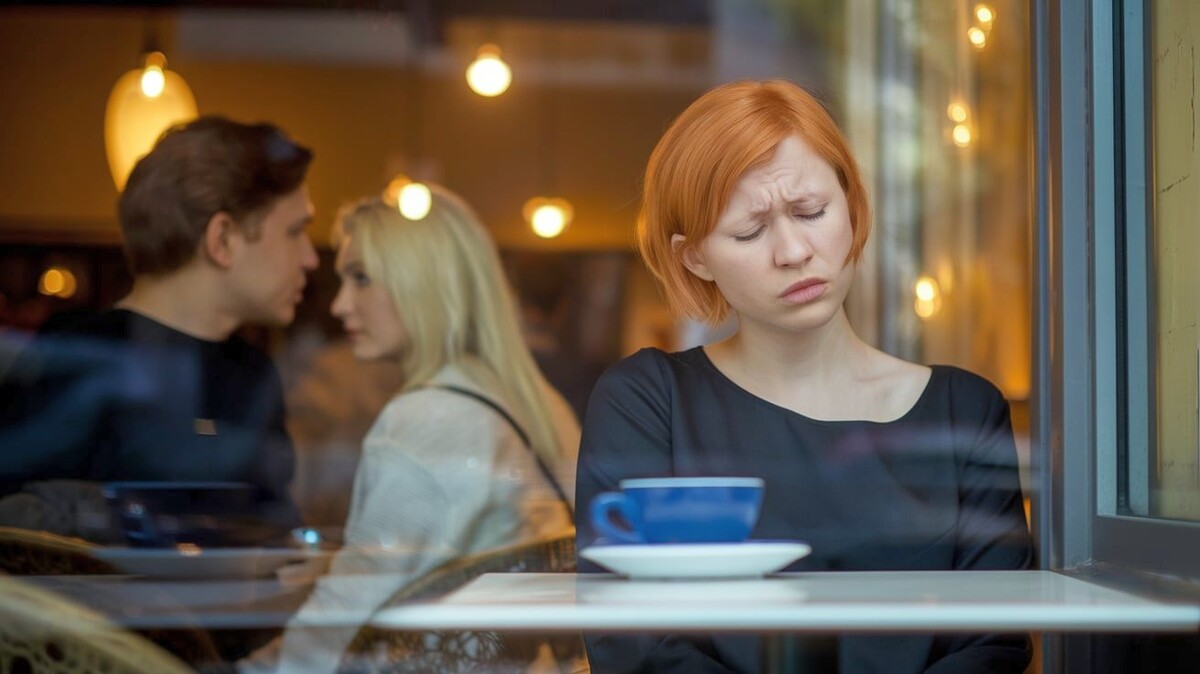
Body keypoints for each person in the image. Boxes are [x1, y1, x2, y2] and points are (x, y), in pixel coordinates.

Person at [575, 80, 1034, 673]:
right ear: (695, 257)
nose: (793, 251)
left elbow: (994, 641)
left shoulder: (963, 409)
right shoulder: (649, 400)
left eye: (811, 212)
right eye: (750, 231)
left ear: (852, 207)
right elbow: (633, 640)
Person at [241, 184, 579, 673]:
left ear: (425, 284)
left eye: (361, 278)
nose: (339, 306)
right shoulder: (542, 404)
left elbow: (342, 617)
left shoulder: (428, 418)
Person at [0, 116, 316, 541]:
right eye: (296, 232)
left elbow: (274, 538)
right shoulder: (76, 355)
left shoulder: (253, 374)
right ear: (222, 239)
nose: (311, 258)